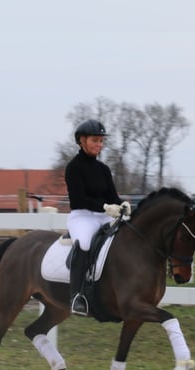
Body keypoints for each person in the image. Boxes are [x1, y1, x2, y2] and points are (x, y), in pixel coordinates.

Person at [65, 119, 129, 316]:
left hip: (103, 215)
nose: (99, 145)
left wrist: (122, 205)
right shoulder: (73, 168)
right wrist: (104, 207)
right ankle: (77, 296)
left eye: (101, 141)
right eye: (95, 140)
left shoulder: (103, 169)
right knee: (84, 243)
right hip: (81, 216)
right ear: (81, 140)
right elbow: (79, 198)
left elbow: (112, 196)